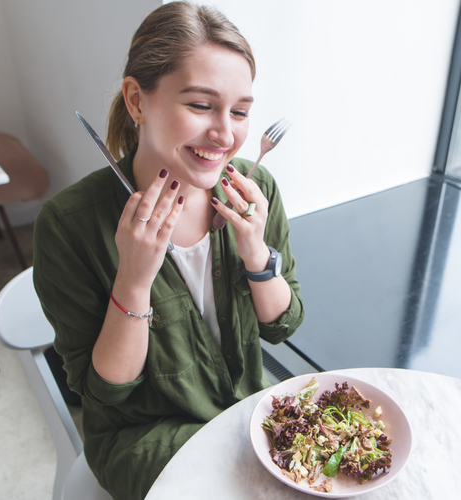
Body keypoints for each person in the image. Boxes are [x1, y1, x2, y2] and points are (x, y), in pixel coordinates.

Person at [32, 3, 304, 499]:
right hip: (144, 439)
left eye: (240, 111)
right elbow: (106, 391)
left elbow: (283, 325)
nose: (225, 134)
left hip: (244, 413)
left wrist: (257, 258)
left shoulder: (254, 188)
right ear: (137, 100)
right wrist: (134, 280)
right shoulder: (67, 225)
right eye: (201, 106)